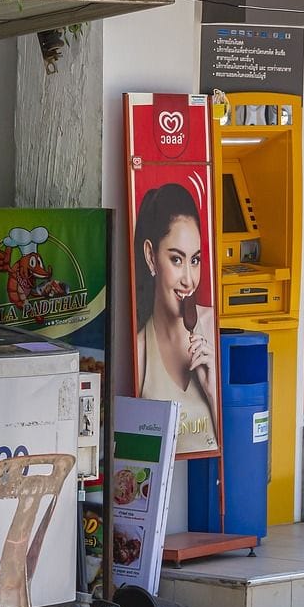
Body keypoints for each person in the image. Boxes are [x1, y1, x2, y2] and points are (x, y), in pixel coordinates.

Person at [133, 182, 219, 453]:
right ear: (151, 257)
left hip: (208, 484)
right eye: (176, 259)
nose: (189, 280)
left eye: (195, 260)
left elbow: (238, 448)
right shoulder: (139, 351)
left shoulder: (213, 327)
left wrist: (212, 387)